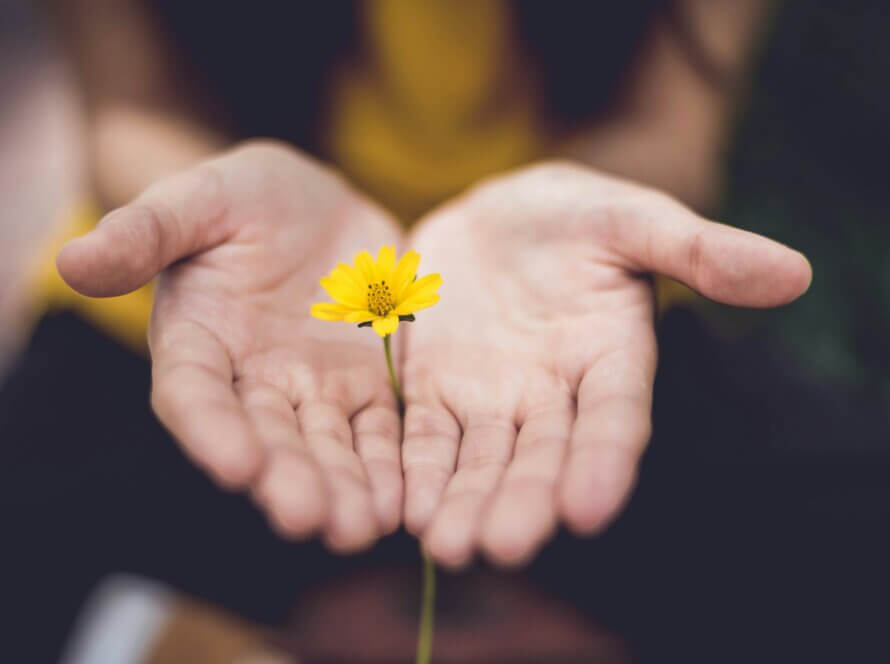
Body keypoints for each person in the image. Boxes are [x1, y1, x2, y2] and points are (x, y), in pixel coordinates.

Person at [6, 0, 887, 660]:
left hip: (561, 317)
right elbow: (133, 108)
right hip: (223, 310)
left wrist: (575, 208)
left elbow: (670, 129)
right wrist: (205, 206)